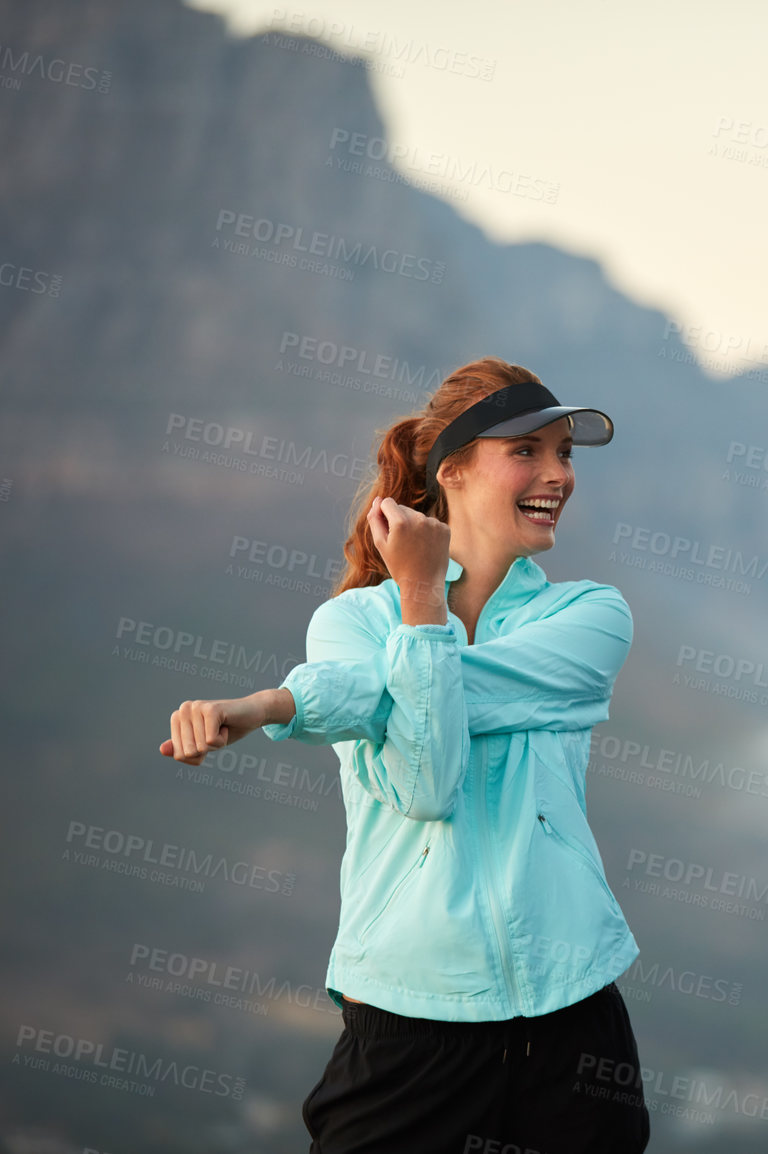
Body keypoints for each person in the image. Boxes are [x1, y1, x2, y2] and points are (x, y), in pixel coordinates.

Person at [159, 357, 649, 1153]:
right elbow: (428, 784)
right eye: (528, 451)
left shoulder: (591, 616)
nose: (557, 474)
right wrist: (417, 607)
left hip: (573, 1018)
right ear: (451, 469)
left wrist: (278, 703)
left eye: (565, 454)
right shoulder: (350, 622)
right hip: (408, 1023)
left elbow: (419, 701)